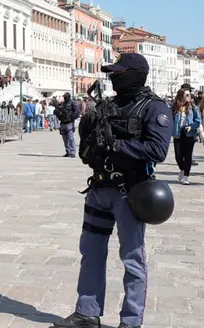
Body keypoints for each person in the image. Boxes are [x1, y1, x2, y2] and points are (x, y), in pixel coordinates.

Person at [54, 53, 171, 328]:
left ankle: (130, 322)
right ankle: (87, 312)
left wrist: (116, 145)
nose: (113, 78)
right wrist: (89, 136)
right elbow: (90, 148)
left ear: (134, 74)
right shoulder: (106, 106)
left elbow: (158, 150)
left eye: (119, 73)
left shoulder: (154, 108)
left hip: (129, 193)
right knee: (91, 252)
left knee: (132, 258)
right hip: (99, 188)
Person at [172, 88, 200, 185]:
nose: (189, 97)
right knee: (178, 156)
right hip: (177, 133)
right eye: (186, 95)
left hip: (189, 133)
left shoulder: (193, 107)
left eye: (189, 95)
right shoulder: (174, 107)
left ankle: (186, 176)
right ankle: (182, 169)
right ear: (181, 96)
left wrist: (191, 127)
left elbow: (198, 120)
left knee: (188, 156)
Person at [55, 93, 80, 158]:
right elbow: (57, 111)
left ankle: (72, 152)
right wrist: (57, 112)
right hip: (62, 123)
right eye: (64, 96)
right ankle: (68, 151)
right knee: (65, 139)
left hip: (69, 123)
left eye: (65, 96)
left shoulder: (72, 103)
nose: (64, 97)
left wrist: (72, 117)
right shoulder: (62, 104)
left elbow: (77, 111)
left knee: (71, 138)